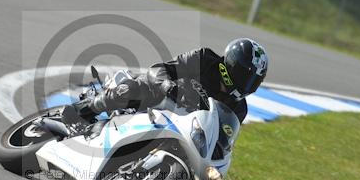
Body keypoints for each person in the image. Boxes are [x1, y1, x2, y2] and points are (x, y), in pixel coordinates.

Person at [73, 38, 269, 125]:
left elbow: (222, 139)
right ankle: (82, 110)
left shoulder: (238, 109)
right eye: (246, 76)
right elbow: (160, 69)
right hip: (157, 101)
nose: (248, 83)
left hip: (181, 128)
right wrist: (168, 86)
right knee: (132, 89)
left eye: (254, 80)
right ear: (232, 65)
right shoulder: (204, 59)